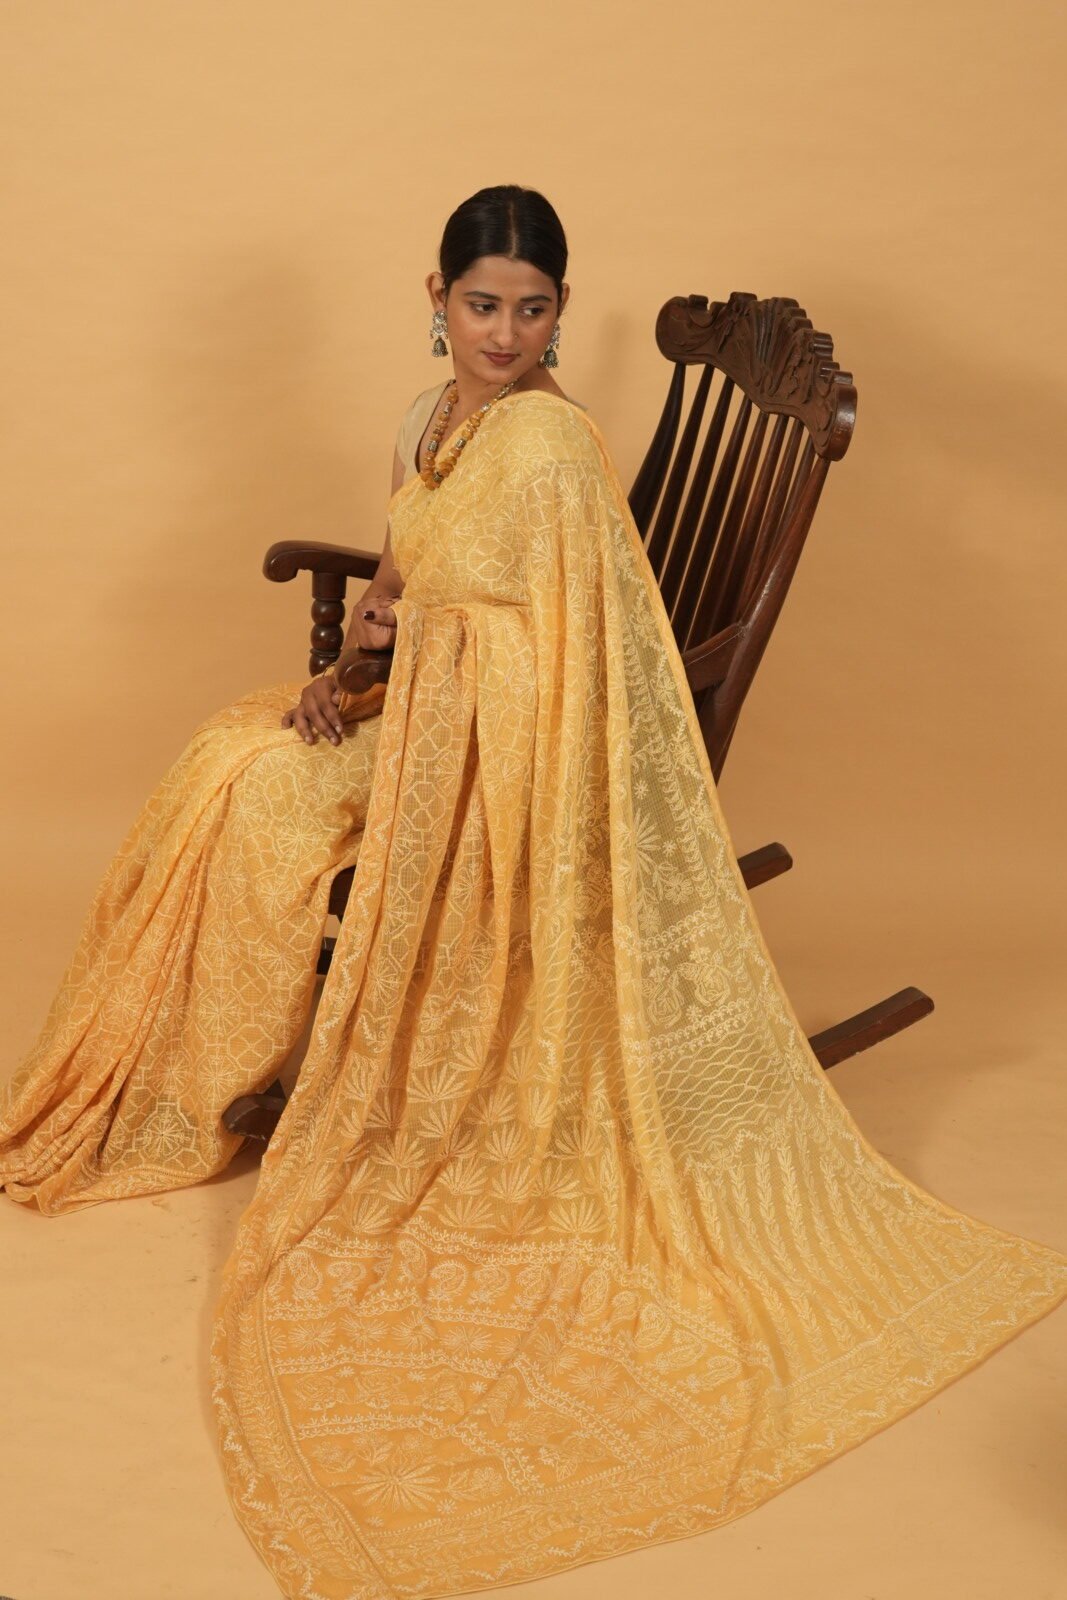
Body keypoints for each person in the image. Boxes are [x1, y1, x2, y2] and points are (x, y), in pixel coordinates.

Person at [3, 184, 1066, 1599]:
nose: (503, 333)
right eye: (481, 304)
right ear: (436, 297)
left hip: (504, 749)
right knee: (228, 760)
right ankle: (179, 1076)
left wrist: (415, 647)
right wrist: (354, 657)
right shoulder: (434, 419)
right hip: (412, 707)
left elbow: (565, 644)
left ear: (563, 312)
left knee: (257, 801)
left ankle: (210, 1076)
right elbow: (407, 568)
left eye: (532, 308)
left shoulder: (552, 449)